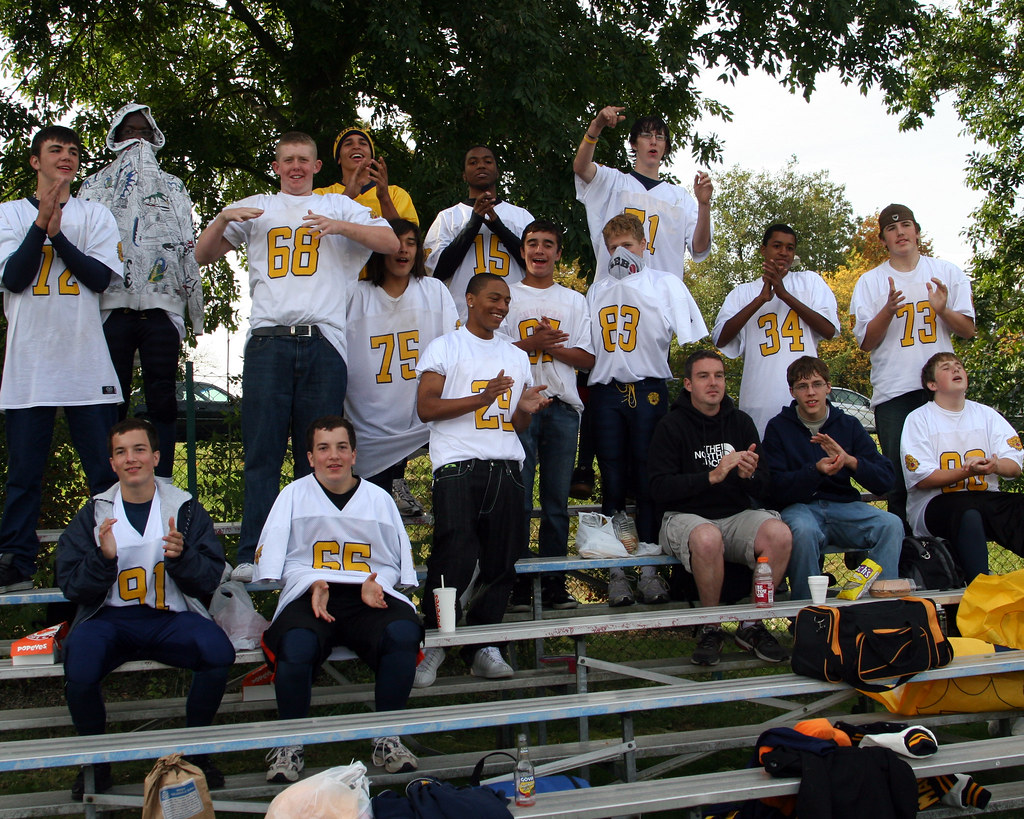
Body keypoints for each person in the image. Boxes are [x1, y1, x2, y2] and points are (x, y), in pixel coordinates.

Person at [194, 131, 398, 581]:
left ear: (318, 165)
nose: (296, 167)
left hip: (324, 339)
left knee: (324, 454)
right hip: (269, 338)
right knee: (262, 452)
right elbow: (202, 254)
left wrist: (339, 226)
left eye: (304, 160)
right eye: (288, 160)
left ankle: (317, 552)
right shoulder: (257, 204)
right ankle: (255, 553)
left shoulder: (341, 205)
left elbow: (391, 243)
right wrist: (222, 217)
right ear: (276, 165)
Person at [55, 418, 234, 799]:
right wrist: (103, 561)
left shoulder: (184, 508)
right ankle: (95, 762)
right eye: (121, 452)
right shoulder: (94, 513)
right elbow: (71, 584)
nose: (130, 458)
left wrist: (183, 558)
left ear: (155, 456)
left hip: (168, 616)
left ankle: (196, 753)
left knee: (218, 652)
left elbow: (210, 576)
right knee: (80, 663)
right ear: (112, 462)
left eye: (139, 450)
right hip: (110, 619)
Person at [256, 416, 423, 783]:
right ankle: (291, 743)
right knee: (296, 643)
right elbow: (276, 564)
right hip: (311, 594)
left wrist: (373, 581)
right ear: (310, 456)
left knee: (403, 632)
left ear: (354, 454)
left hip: (367, 595)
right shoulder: (293, 495)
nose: (333, 456)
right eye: (323, 448)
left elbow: (396, 566)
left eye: (341, 447)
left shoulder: (379, 499)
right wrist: (312, 580)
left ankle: (387, 736)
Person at [0, 126, 122, 592]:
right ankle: (16, 562)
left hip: (84, 364)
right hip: (30, 366)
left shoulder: (94, 214)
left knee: (102, 472)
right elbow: (14, 278)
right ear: (36, 161)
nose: (66, 157)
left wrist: (59, 237)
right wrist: (39, 227)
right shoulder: (10, 215)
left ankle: (107, 555)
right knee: (25, 472)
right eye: (56, 150)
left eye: (73, 151)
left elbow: (98, 279)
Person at [413, 273, 549, 687]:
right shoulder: (445, 346)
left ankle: (484, 644)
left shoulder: (515, 354)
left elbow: (516, 424)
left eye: (507, 300)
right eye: (494, 298)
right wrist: (482, 397)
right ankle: (438, 639)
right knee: (453, 555)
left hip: (506, 465)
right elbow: (426, 408)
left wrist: (524, 408)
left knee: (501, 560)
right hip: (457, 465)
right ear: (470, 299)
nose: (502, 306)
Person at [586, 214, 707, 606]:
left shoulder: (665, 283)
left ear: (644, 245)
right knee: (613, 481)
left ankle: (651, 569)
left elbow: (689, 336)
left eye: (629, 245)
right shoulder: (597, 288)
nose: (621, 253)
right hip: (606, 391)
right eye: (613, 246)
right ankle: (617, 571)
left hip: (650, 387)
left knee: (650, 479)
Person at [79, 103, 205, 478]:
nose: (138, 140)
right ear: (116, 137)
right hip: (110, 308)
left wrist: (193, 312)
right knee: (109, 398)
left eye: (145, 132)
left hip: (161, 307)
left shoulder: (173, 187)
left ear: (155, 138)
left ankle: (162, 478)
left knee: (163, 398)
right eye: (130, 131)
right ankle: (110, 483)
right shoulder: (94, 187)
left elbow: (188, 245)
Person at [649, 350, 791, 666]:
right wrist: (710, 477)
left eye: (719, 375)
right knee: (707, 537)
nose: (713, 383)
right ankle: (711, 626)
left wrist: (748, 476)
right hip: (684, 518)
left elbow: (764, 486)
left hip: (735, 514)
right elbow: (659, 488)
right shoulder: (671, 426)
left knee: (779, 534)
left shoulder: (741, 423)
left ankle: (753, 624)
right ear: (687, 384)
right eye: (703, 376)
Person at [850, 204, 976, 528]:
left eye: (906, 225)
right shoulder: (870, 281)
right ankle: (906, 558)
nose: (900, 232)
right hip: (895, 390)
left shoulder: (945, 272)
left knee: (948, 473)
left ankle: (950, 556)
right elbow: (866, 342)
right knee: (900, 478)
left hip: (942, 392)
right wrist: (888, 311)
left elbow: (968, 330)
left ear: (917, 231)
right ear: (883, 240)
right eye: (892, 229)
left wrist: (944, 310)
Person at [499, 220, 595, 610]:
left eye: (548, 244)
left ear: (558, 252)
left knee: (556, 501)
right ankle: (518, 584)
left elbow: (588, 358)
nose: (539, 250)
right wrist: (532, 343)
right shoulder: (506, 295)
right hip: (519, 408)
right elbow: (493, 353)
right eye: (532, 243)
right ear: (522, 251)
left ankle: (554, 584)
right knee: (518, 500)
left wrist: (549, 349)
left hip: (561, 408)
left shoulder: (574, 300)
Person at [762, 356, 902, 600]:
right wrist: (814, 471)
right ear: (792, 392)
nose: (811, 392)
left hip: (844, 508)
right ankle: (807, 614)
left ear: (828, 387)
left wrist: (850, 461)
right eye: (802, 386)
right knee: (803, 531)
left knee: (891, 525)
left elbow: (886, 479)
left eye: (817, 384)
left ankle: (879, 607)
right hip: (801, 509)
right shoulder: (779, 427)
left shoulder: (847, 425)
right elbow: (772, 488)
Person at [345, 218, 458, 515]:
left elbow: (455, 349)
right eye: (395, 242)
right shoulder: (356, 296)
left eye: (411, 243)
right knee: (371, 517)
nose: (403, 250)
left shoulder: (433, 291)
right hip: (370, 425)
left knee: (451, 505)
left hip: (423, 423)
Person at [902, 353, 1024, 582]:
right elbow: (923, 478)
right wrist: (967, 472)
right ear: (932, 384)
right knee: (968, 513)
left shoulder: (987, 415)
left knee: (1017, 506)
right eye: (946, 368)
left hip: (984, 500)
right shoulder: (919, 419)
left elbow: (1015, 466)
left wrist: (995, 465)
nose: (956, 370)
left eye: (959, 366)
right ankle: (978, 587)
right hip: (934, 505)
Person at [713, 224, 839, 436]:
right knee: (762, 464)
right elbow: (720, 338)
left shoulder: (809, 282)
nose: (783, 252)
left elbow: (829, 330)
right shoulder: (742, 293)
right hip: (759, 400)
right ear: (763, 250)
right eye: (777, 245)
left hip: (804, 398)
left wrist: (785, 295)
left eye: (790, 248)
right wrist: (761, 299)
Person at [573, 105, 713, 280]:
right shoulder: (613, 182)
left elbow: (699, 248)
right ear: (634, 143)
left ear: (665, 147)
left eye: (660, 137)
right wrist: (596, 126)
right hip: (616, 293)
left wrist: (704, 205)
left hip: (661, 298)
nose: (653, 141)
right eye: (647, 135)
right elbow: (581, 167)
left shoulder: (680, 198)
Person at [423, 145, 534, 324]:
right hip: (462, 319)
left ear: (497, 172)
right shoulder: (448, 217)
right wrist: (473, 224)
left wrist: (497, 226)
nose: (481, 166)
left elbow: (535, 265)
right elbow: (437, 272)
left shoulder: (520, 216)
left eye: (488, 161)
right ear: (464, 175)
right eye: (473, 162)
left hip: (513, 319)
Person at [314, 126, 418, 223]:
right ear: (339, 158)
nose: (356, 147)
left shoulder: (396, 194)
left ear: (371, 156)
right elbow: (310, 231)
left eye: (363, 143)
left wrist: (384, 199)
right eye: (348, 144)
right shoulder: (321, 195)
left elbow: (406, 239)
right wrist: (346, 197)